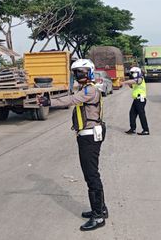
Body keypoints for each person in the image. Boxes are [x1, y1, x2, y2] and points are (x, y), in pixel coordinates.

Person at [38, 59, 107, 232]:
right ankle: (101, 209)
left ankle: (98, 216)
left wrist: (49, 102)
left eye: (82, 72)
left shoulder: (89, 90)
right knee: (92, 173)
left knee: (91, 175)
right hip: (88, 134)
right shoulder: (86, 88)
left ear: (89, 72)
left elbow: (71, 100)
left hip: (90, 136)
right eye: (76, 72)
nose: (79, 75)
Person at [122, 66, 149, 135]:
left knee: (141, 115)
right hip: (136, 100)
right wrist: (128, 82)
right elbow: (131, 86)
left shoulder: (140, 78)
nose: (132, 74)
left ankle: (146, 130)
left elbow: (136, 81)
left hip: (140, 99)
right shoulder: (135, 79)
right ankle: (132, 129)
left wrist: (125, 82)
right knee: (132, 114)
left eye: (133, 73)